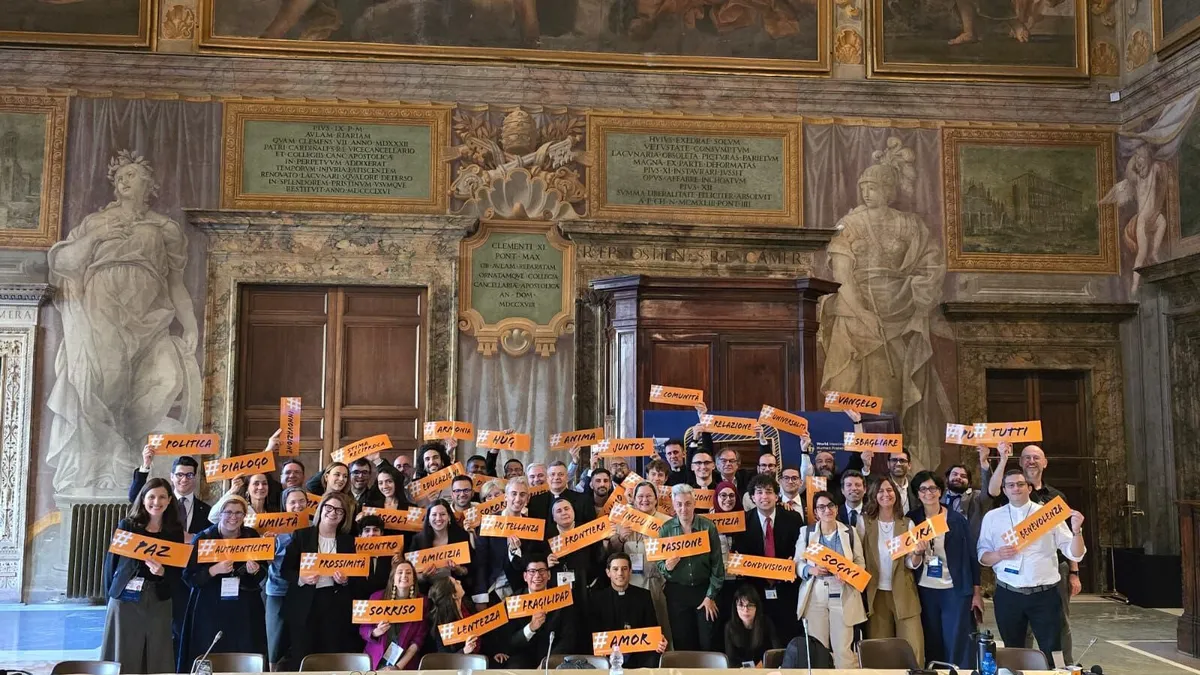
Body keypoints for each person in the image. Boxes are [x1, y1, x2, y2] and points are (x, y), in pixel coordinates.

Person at [47, 151, 200, 495]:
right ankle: (112, 458)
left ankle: (127, 441)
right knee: (110, 384)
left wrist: (190, 324)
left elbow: (176, 283)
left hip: (151, 311)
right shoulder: (96, 222)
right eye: (120, 178)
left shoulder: (165, 228)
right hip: (104, 307)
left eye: (132, 175)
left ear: (150, 184)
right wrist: (95, 238)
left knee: (168, 378)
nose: (124, 181)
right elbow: (63, 262)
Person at [979, 468, 1086, 665]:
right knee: (1013, 651)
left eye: (1020, 484)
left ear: (1029, 488)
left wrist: (1077, 531)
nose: (1016, 488)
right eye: (1011, 485)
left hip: (1045, 594)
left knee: (1053, 650)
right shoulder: (992, 517)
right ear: (1004, 490)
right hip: (1008, 594)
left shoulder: (1047, 514)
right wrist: (998, 554)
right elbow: (983, 556)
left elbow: (1074, 553)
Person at [101, 478, 184, 674]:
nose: (156, 502)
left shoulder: (174, 531)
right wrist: (109, 597)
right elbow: (111, 565)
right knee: (123, 653)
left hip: (159, 600)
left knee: (157, 654)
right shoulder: (127, 525)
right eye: (151, 497)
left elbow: (177, 573)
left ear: (169, 500)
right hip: (125, 599)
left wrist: (163, 573)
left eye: (162, 497)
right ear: (143, 499)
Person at [180, 494, 268, 670]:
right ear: (220, 514)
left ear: (244, 515)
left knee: (246, 650)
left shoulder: (251, 536)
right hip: (209, 608)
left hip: (244, 608)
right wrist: (213, 570)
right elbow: (189, 577)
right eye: (228, 512)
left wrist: (256, 570)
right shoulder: (204, 538)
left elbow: (263, 574)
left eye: (238, 513)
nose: (233, 517)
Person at [909, 470, 981, 669]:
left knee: (957, 640)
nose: (928, 493)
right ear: (917, 494)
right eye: (923, 489)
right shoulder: (912, 519)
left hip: (954, 589)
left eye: (933, 488)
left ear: (940, 491)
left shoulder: (957, 520)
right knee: (932, 639)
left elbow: (971, 556)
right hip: (924, 589)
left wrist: (976, 592)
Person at [281, 492, 360, 669]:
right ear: (321, 509)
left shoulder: (348, 542)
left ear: (344, 516)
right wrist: (301, 578)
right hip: (304, 604)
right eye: (329, 508)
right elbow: (285, 570)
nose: (333, 513)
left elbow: (356, 576)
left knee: (330, 654)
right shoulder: (302, 535)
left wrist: (345, 580)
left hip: (334, 604)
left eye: (339, 511)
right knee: (302, 654)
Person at [795, 490, 866, 669]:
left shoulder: (850, 532)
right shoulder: (806, 532)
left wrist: (849, 575)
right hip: (815, 592)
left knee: (843, 649)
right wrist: (810, 569)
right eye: (821, 507)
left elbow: (860, 563)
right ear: (815, 512)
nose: (827, 510)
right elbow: (797, 563)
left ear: (836, 508)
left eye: (830, 506)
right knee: (818, 648)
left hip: (842, 592)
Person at [862, 475, 925, 665]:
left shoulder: (907, 524)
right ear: (874, 495)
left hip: (904, 592)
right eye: (880, 491)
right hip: (876, 595)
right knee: (880, 651)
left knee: (913, 647)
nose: (886, 494)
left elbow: (910, 563)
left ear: (896, 494)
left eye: (889, 490)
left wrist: (918, 554)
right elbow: (859, 557)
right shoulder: (864, 522)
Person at [734, 473, 803, 640]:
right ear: (752, 497)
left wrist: (794, 561)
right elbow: (739, 553)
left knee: (787, 634)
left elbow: (800, 549)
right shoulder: (743, 521)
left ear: (777, 496)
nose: (764, 496)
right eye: (759, 492)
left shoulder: (793, 518)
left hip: (787, 587)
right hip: (755, 589)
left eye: (769, 492)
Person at [657, 484, 725, 651]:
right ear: (674, 505)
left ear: (694, 504)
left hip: (704, 591)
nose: (683, 509)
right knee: (683, 644)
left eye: (688, 504)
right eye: (679, 504)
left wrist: (710, 596)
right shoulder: (665, 529)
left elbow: (717, 565)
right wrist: (667, 567)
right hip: (677, 593)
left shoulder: (708, 527)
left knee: (707, 643)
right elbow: (659, 565)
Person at [607, 481, 672, 646]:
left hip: (658, 584)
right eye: (640, 496)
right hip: (631, 584)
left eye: (649, 496)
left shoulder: (667, 522)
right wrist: (620, 538)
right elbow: (611, 553)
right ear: (634, 499)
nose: (644, 500)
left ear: (656, 499)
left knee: (661, 625)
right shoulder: (624, 520)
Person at [472, 477, 544, 608]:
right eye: (514, 494)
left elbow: (531, 562)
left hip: (520, 590)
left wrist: (516, 552)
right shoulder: (489, 523)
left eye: (522, 494)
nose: (518, 499)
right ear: (505, 497)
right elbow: (480, 562)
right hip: (492, 589)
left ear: (527, 499)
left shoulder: (532, 526)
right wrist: (480, 597)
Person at [496, 554, 579, 666]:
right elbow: (509, 641)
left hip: (553, 658)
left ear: (549, 575)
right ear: (525, 576)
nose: (537, 576)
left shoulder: (562, 597)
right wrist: (530, 628)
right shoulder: (514, 601)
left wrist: (548, 662)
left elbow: (568, 638)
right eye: (532, 571)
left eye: (542, 571)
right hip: (522, 658)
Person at [590, 553, 669, 668]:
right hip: (609, 656)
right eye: (615, 569)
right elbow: (594, 633)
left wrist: (659, 641)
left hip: (639, 655)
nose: (620, 573)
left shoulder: (644, 596)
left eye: (624, 569)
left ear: (630, 571)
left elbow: (652, 628)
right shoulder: (597, 599)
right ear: (608, 573)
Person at [266, 487, 310, 670]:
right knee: (275, 639)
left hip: (304, 590)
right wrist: (267, 545)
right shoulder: (273, 528)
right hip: (278, 590)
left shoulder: (313, 526)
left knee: (300, 638)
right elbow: (265, 562)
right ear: (285, 505)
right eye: (293, 502)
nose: (297, 505)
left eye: (301, 501)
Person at [361, 559, 428, 670]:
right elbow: (363, 630)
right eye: (400, 572)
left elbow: (418, 640)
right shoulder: (376, 597)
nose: (404, 575)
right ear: (393, 578)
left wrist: (397, 667)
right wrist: (375, 632)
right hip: (375, 661)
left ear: (413, 579)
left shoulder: (423, 602)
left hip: (405, 664)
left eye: (408, 572)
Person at [129, 446, 211, 534]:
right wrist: (146, 465)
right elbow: (134, 497)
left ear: (195, 477)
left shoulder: (207, 511)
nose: (184, 479)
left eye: (189, 475)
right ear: (172, 476)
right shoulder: (161, 502)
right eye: (180, 475)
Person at [547, 497, 605, 602]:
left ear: (573, 511)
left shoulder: (588, 530)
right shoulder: (546, 535)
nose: (564, 513)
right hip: (557, 591)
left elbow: (599, 558)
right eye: (559, 511)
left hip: (585, 587)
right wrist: (546, 561)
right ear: (554, 518)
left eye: (566, 509)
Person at [411, 499, 473, 590]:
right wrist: (424, 576)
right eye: (434, 515)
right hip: (428, 591)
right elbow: (412, 574)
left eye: (442, 514)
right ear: (428, 518)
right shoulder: (417, 540)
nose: (438, 518)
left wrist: (458, 569)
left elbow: (470, 569)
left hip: (456, 590)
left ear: (449, 517)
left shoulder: (462, 537)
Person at [943, 446, 993, 541]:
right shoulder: (938, 497)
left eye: (963, 476)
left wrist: (983, 462)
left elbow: (989, 489)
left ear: (969, 483)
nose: (958, 477)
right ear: (947, 479)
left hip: (969, 545)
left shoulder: (976, 497)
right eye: (954, 474)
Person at [724, 585, 781, 668]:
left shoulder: (766, 623)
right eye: (741, 605)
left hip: (764, 669)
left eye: (750, 605)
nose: (745, 610)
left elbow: (776, 652)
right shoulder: (729, 627)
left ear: (756, 607)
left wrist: (763, 665)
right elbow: (730, 659)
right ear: (735, 607)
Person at [423, 577, 482, 656]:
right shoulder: (441, 625)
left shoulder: (468, 605)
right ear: (454, 595)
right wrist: (464, 651)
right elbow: (445, 657)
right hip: (460, 661)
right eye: (456, 583)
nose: (459, 581)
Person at [529, 461, 594, 523]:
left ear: (567, 477)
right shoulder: (535, 502)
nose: (556, 477)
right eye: (552, 474)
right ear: (547, 478)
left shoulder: (583, 500)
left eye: (561, 474)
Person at [356, 516, 394, 600]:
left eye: (376, 530)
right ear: (360, 535)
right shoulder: (352, 557)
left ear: (382, 533)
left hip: (383, 603)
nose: (371, 533)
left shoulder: (392, 558)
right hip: (357, 604)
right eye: (367, 530)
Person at [836, 469, 867, 538]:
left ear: (865, 489)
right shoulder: (836, 514)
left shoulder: (872, 513)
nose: (853, 488)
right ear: (842, 490)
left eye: (858, 485)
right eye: (849, 485)